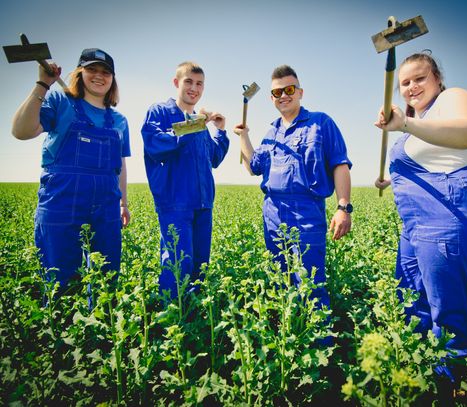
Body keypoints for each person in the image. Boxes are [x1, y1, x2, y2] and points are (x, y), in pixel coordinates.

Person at [374, 51, 467, 380]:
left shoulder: (454, 98)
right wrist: (391, 178)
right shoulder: (419, 123)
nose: (411, 87)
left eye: (419, 78)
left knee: (448, 313)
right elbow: (429, 164)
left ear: (438, 78)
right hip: (416, 227)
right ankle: (418, 375)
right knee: (411, 301)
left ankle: (451, 384)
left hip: (445, 221)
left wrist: (405, 123)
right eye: (405, 83)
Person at [233, 64, 352, 312]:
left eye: (289, 89)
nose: (283, 96)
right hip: (273, 213)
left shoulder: (321, 123)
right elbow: (253, 167)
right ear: (271, 98)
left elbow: (339, 164)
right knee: (280, 280)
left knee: (310, 282)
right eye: (277, 92)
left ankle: (318, 344)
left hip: (306, 212)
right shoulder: (271, 131)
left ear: (300, 92)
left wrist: (343, 207)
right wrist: (243, 137)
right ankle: (290, 337)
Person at [11, 48, 131, 293]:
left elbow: (119, 166)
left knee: (106, 283)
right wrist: (42, 84)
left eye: (106, 72)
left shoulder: (119, 120)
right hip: (61, 203)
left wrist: (123, 203)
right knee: (61, 284)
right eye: (92, 69)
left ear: (113, 79)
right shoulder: (60, 102)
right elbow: (21, 131)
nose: (99, 76)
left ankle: (99, 332)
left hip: (106, 205)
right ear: (79, 73)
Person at [141, 61, 229, 299]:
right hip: (175, 203)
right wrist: (196, 123)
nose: (194, 88)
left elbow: (214, 157)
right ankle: (172, 322)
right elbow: (156, 145)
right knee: (178, 266)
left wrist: (219, 131)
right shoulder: (160, 112)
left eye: (199, 84)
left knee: (200, 266)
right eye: (188, 81)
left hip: (202, 203)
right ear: (176, 83)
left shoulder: (199, 123)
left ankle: (194, 320)